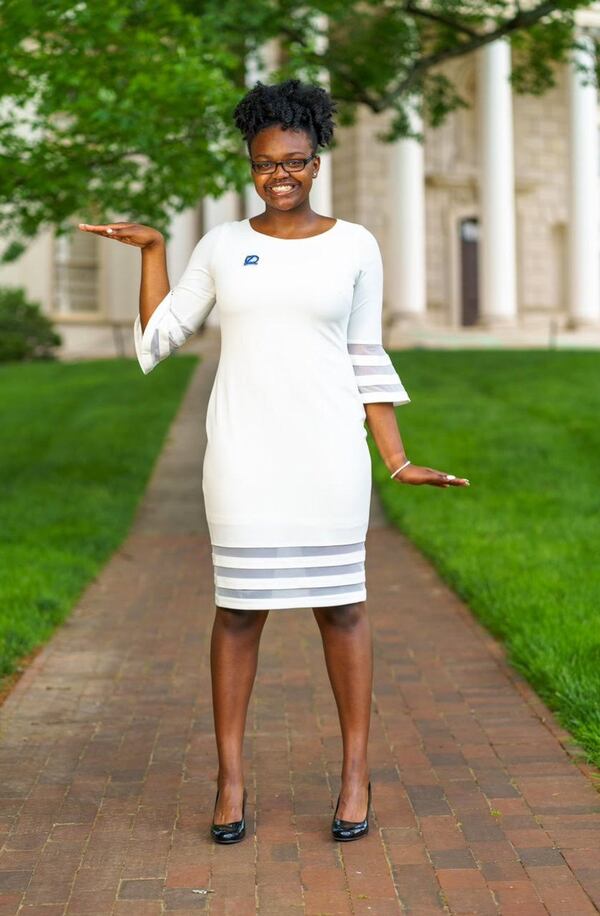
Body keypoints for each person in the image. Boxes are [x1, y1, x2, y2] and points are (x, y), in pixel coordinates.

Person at [79, 78, 469, 845]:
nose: (279, 175)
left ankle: (355, 775)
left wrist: (396, 460)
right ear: (250, 164)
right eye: (265, 163)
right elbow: (160, 339)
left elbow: (365, 355)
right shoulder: (223, 245)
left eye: (294, 160)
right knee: (238, 611)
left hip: (329, 454)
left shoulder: (357, 245)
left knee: (344, 609)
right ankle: (231, 781)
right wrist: (154, 250)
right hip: (243, 458)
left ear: (316, 161)